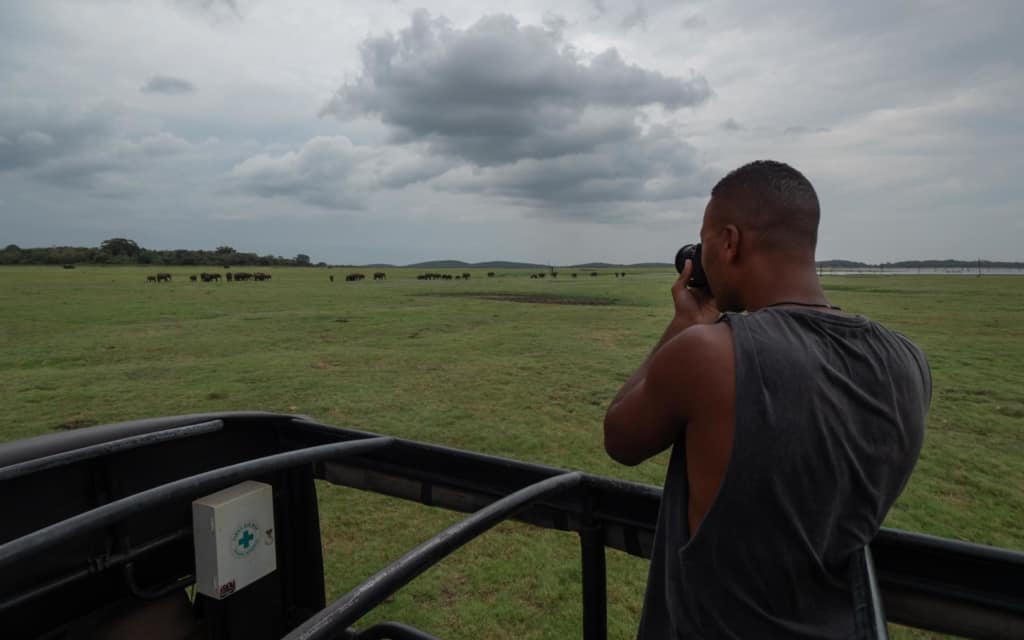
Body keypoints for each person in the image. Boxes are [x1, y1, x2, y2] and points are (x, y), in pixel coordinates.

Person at [604, 160, 931, 639]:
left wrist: (684, 325)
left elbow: (620, 438)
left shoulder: (710, 353)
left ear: (729, 242)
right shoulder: (908, 362)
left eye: (706, 242)